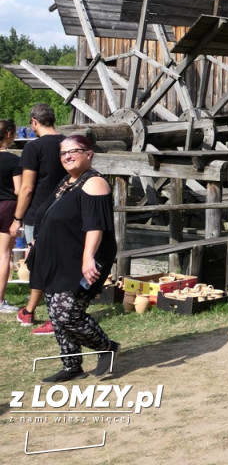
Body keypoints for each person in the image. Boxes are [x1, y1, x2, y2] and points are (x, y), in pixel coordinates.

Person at [30, 134, 119, 382]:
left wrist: (88, 258)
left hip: (80, 260)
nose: (67, 156)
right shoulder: (68, 181)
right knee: (56, 314)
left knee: (67, 313)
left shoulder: (94, 183)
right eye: (63, 153)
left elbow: (95, 226)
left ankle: (107, 347)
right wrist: (35, 243)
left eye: (74, 151)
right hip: (57, 258)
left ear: (89, 154)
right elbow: (47, 215)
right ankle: (71, 365)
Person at [12, 103, 65, 332]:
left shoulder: (34, 148)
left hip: (40, 214)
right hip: (65, 211)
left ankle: (49, 316)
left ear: (34, 121)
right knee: (61, 264)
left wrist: (17, 218)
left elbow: (26, 188)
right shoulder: (67, 143)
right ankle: (34, 310)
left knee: (40, 265)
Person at [1, 119, 22, 313]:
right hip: (7, 207)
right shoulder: (14, 160)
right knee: (4, 254)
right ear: (8, 134)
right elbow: (18, 189)